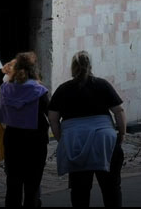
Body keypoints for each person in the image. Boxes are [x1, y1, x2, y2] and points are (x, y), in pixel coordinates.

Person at [49, 51, 126, 207]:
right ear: (90, 66)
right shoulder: (102, 84)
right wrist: (122, 133)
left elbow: (53, 119)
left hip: (75, 140)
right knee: (111, 187)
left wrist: (61, 139)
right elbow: (119, 111)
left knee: (79, 190)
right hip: (104, 139)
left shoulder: (63, 89)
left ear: (73, 67)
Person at [0, 52, 50, 207]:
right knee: (32, 185)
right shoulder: (39, 91)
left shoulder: (6, 89)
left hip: (13, 137)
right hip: (35, 139)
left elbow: (0, 114)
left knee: (13, 184)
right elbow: (50, 112)